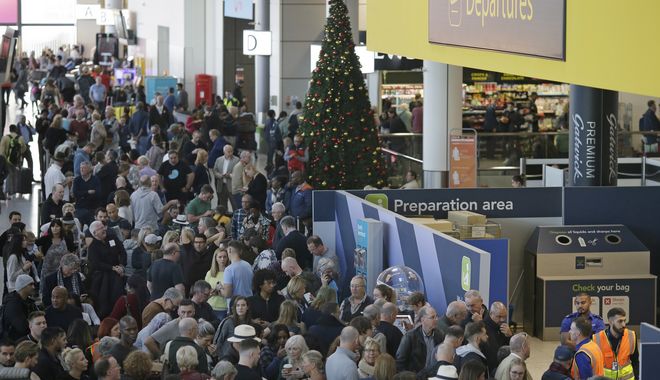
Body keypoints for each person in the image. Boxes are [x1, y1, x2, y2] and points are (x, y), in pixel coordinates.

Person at [87, 221, 127, 318]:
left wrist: (121, 265)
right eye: (100, 228)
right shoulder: (93, 247)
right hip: (103, 275)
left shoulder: (112, 238)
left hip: (118, 270)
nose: (104, 229)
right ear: (94, 233)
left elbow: (122, 252)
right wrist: (112, 268)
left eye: (103, 227)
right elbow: (96, 263)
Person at [592, 307, 638, 379]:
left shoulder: (631, 335)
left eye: (624, 321)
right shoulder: (597, 339)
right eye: (620, 321)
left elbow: (635, 362)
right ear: (610, 322)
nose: (623, 325)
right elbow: (594, 365)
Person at [396, 305, 443, 373]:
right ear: (422, 320)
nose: (436, 319)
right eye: (432, 317)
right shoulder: (410, 337)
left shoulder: (439, 335)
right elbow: (400, 361)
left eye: (436, 316)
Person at [2, 274, 38, 341]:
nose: (33, 287)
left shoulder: (29, 302)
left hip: (25, 339)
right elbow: (22, 327)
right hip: (13, 342)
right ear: (23, 286)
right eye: (30, 284)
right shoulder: (12, 304)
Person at [483, 301, 512, 373]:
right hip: (490, 368)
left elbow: (511, 346)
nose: (502, 320)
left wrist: (510, 336)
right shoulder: (483, 327)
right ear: (491, 314)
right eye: (499, 316)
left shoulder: (502, 326)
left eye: (504, 316)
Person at [206, 248, 230, 320]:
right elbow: (206, 291)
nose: (222, 259)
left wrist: (220, 291)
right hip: (210, 306)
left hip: (224, 307)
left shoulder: (229, 272)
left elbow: (230, 292)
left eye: (224, 257)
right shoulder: (210, 273)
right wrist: (216, 291)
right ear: (216, 258)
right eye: (220, 257)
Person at [213, 144, 239, 211]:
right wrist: (220, 175)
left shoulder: (237, 160)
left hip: (231, 186)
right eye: (228, 151)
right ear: (224, 152)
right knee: (222, 205)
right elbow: (215, 171)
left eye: (231, 151)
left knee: (234, 204)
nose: (230, 153)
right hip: (222, 185)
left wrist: (229, 175)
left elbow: (238, 174)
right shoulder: (219, 159)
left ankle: (235, 218)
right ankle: (224, 219)